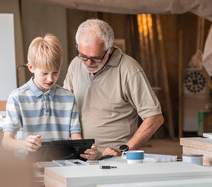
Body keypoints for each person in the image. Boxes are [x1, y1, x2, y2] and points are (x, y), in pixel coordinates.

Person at [64, 19, 164, 157]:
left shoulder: (129, 70)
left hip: (113, 159)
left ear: (110, 49)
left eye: (95, 58)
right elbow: (65, 106)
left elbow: (154, 118)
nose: (88, 63)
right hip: (79, 155)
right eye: (83, 56)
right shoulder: (76, 64)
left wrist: (124, 150)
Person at [2, 33, 97, 160]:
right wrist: (24, 144)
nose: (50, 79)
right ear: (31, 67)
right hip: (27, 168)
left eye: (55, 72)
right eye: (44, 73)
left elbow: (76, 137)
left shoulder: (68, 98)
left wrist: (87, 151)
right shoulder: (17, 98)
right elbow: (6, 142)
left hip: (62, 165)